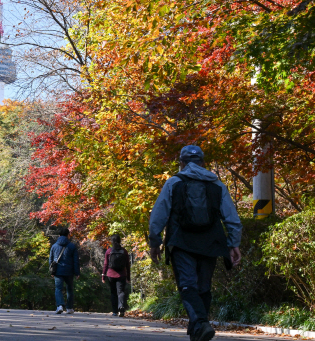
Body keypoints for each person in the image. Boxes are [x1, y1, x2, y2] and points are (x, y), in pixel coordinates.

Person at [149, 145, 242, 341]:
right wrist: (234, 244)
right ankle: (198, 330)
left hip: (181, 242)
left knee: (187, 285)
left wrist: (155, 242)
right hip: (211, 243)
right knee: (203, 287)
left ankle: (200, 323)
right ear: (203, 163)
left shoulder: (174, 182)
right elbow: (232, 218)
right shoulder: (217, 185)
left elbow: (159, 215)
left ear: (181, 163)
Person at [49, 228, 80, 314]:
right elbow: (76, 261)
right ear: (68, 235)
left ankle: (60, 306)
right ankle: (69, 308)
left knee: (58, 288)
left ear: (59, 235)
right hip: (69, 271)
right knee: (69, 289)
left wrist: (52, 271)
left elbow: (51, 259)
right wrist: (77, 272)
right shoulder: (72, 246)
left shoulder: (54, 246)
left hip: (58, 271)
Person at [101, 234, 131, 317]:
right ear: (120, 241)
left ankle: (114, 311)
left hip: (111, 274)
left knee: (113, 293)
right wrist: (128, 277)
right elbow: (127, 265)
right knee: (121, 292)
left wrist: (103, 276)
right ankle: (121, 307)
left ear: (112, 241)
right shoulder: (124, 251)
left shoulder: (109, 251)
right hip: (122, 274)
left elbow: (106, 264)